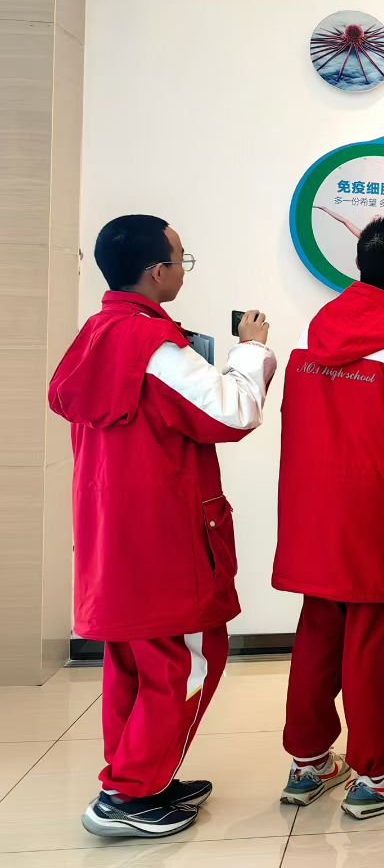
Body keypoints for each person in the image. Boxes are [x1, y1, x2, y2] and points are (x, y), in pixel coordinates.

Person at [47, 215, 276, 839]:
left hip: (113, 535)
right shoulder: (153, 346)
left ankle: (135, 776)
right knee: (188, 660)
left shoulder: (96, 335)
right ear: (157, 272)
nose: (182, 269)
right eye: (180, 259)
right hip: (166, 537)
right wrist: (251, 350)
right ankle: (129, 793)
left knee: (132, 662)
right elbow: (232, 412)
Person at [273, 217, 384, 818]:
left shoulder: (312, 331)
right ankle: (378, 775)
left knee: (317, 635)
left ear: (358, 264)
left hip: (311, 516)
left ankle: (309, 762)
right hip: (379, 520)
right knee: (376, 646)